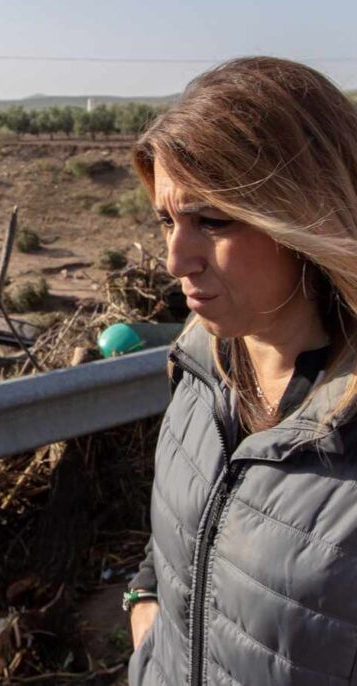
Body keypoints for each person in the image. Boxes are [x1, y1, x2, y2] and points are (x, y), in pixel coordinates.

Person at [124, 56, 357, 686]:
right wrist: (144, 609)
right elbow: (192, 523)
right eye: (167, 221)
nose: (176, 259)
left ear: (307, 213)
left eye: (211, 220)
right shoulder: (200, 368)